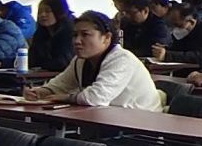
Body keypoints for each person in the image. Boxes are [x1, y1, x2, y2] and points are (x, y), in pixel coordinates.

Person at [25, 11, 162, 110]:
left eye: (85, 35)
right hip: (109, 124)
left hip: (142, 127)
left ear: (106, 38)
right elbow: (60, 85)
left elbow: (96, 98)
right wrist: (42, 92)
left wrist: (65, 97)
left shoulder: (122, 59)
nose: (77, 41)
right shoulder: (80, 61)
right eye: (75, 35)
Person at [157, 1, 202, 68]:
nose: (175, 28)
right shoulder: (186, 31)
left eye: (178, 25)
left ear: (191, 22)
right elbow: (181, 49)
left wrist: (167, 55)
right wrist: (165, 49)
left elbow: (201, 56)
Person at [28, 0, 75, 74]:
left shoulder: (70, 32)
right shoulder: (40, 34)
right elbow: (31, 60)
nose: (43, 15)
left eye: (47, 11)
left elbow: (62, 63)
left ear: (59, 13)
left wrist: (40, 64)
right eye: (40, 12)